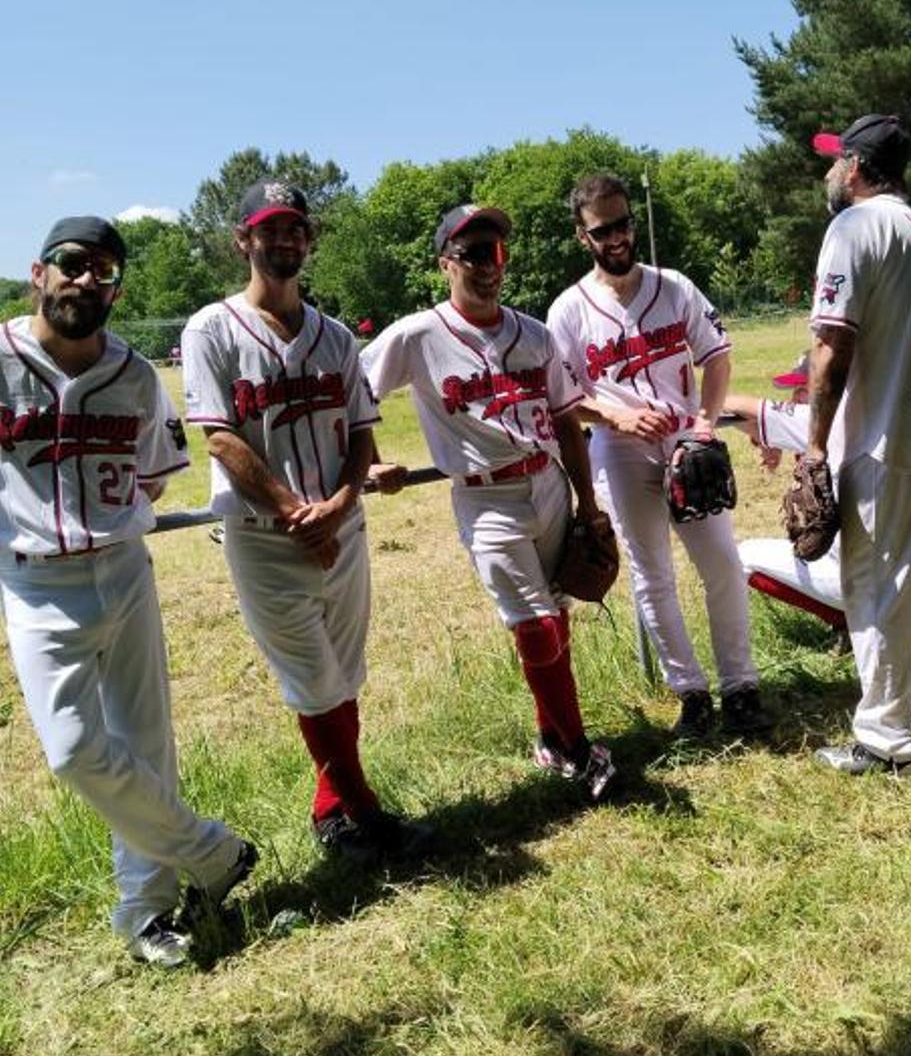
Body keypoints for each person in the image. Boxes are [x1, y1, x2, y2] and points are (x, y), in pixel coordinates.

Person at [0, 217, 256, 967]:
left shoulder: (136, 373)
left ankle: (146, 911)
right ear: (39, 271)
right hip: (35, 576)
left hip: (123, 563)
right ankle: (214, 853)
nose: (86, 279)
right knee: (76, 750)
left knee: (147, 744)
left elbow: (151, 473)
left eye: (104, 270)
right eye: (72, 263)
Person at [181, 181, 433, 863]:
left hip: (342, 529)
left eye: (295, 229)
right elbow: (220, 436)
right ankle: (368, 816)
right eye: (269, 229)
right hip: (267, 539)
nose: (283, 240)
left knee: (344, 677)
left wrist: (344, 504)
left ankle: (330, 810)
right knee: (316, 683)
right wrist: (298, 514)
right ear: (244, 239)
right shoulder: (211, 329)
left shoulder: (335, 335)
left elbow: (359, 431)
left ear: (309, 240)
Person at [362, 203, 615, 800]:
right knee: (535, 622)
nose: (487, 265)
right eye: (473, 253)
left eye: (495, 252)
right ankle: (580, 752)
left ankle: (550, 738)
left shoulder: (534, 333)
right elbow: (357, 392)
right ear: (446, 262)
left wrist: (588, 503)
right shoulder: (417, 335)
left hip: (548, 481)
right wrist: (370, 459)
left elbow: (564, 420)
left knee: (558, 610)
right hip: (485, 496)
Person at [547, 173, 767, 740]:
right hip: (620, 450)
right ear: (582, 235)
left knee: (721, 560)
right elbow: (565, 396)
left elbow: (717, 357)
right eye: (603, 229)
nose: (617, 237)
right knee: (652, 574)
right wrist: (615, 416)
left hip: (686, 441)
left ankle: (741, 685)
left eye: (623, 223)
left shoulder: (674, 287)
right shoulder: (569, 309)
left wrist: (704, 424)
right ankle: (690, 693)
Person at [805, 115, 911, 775]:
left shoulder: (853, 226)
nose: (828, 174)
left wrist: (814, 446)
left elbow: (833, 344)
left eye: (833, 161)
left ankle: (884, 739)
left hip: (886, 434)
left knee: (877, 587)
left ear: (855, 165)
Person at [724, 358, 845, 630]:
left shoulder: (814, 421)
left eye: (802, 389)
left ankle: (844, 620)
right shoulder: (857, 415)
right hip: (903, 573)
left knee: (740, 557)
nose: (795, 397)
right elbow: (764, 424)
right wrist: (767, 438)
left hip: (855, 578)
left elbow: (727, 403)